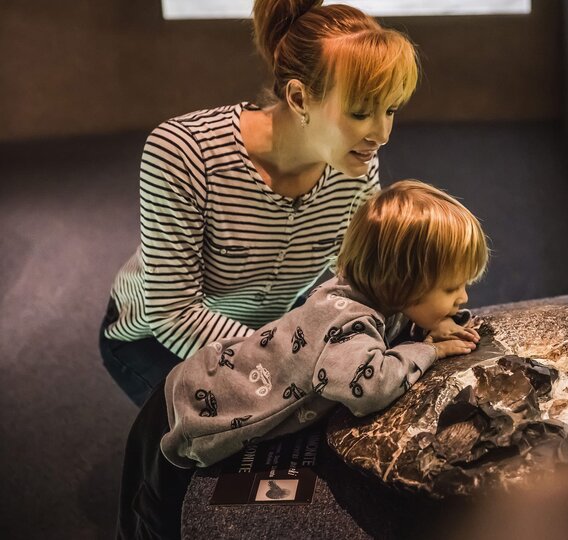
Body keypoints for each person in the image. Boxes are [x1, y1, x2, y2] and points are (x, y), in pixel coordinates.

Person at [117, 180, 489, 539]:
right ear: (400, 281)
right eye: (450, 287)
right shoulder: (345, 321)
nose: (464, 297)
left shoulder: (372, 293)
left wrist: (428, 328)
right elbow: (367, 387)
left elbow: (389, 333)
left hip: (207, 382)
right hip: (184, 411)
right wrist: (431, 349)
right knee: (156, 520)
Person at [99, 0, 421, 406]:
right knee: (221, 449)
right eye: (360, 112)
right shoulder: (184, 151)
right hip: (151, 338)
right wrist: (292, 361)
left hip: (264, 330)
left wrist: (424, 306)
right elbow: (172, 314)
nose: (382, 134)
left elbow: (354, 278)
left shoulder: (352, 165)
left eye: (390, 109)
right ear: (300, 98)